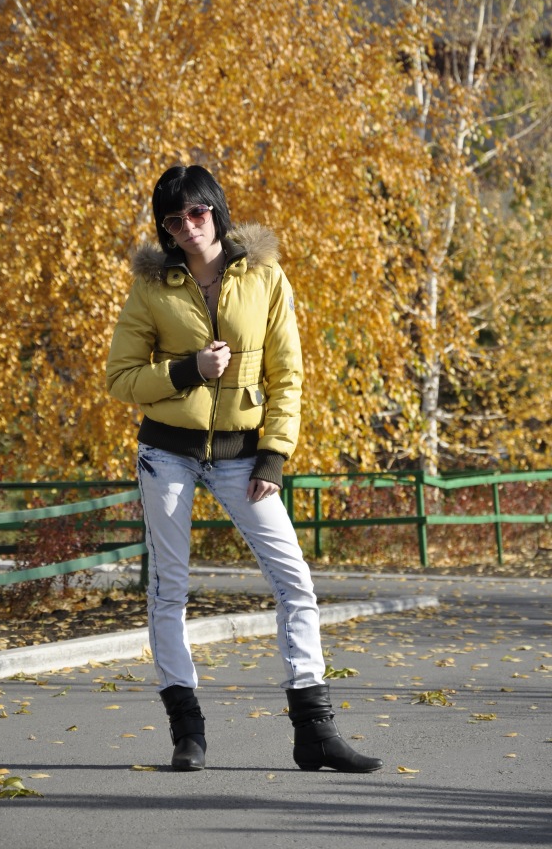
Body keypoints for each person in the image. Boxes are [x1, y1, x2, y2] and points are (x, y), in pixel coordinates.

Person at [106, 164, 382, 775]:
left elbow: (288, 373)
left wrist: (274, 456)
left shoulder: (265, 277)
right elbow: (120, 378)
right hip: (166, 453)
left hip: (242, 455)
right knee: (169, 590)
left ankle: (315, 732)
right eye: (173, 220)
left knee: (295, 582)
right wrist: (188, 371)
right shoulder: (152, 288)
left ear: (216, 209)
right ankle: (187, 732)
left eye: (196, 212)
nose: (187, 227)